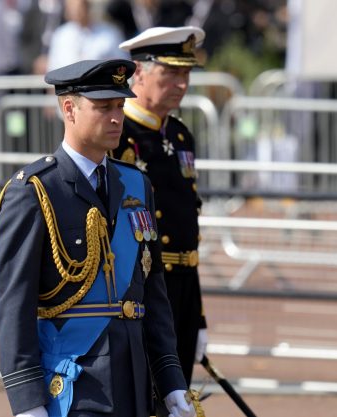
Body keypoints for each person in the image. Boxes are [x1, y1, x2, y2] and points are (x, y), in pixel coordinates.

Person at [0, 59, 195, 417]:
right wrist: (27, 402)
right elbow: (14, 306)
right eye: (104, 108)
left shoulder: (135, 184)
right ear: (69, 109)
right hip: (75, 386)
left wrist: (171, 379)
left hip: (135, 380)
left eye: (119, 105)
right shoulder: (35, 191)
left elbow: (152, 291)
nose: (117, 117)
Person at [112, 26, 208, 387]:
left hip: (183, 287)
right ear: (140, 71)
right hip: (144, 283)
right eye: (171, 73)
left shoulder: (180, 134)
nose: (181, 84)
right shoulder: (121, 134)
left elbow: (188, 228)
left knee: (177, 396)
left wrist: (197, 315)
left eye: (185, 73)